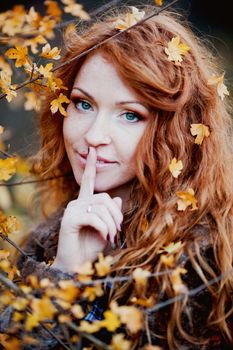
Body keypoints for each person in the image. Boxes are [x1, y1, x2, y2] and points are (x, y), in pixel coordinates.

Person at [6, 5, 233, 349]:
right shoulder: (48, 240)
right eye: (83, 104)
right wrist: (65, 272)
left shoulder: (211, 260)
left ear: (177, 131)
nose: (94, 135)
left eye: (130, 114)